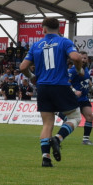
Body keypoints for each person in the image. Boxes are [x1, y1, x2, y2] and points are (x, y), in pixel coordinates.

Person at [19, 17, 83, 168]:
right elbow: (76, 57)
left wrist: (32, 77)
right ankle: (58, 138)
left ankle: (45, 158)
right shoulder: (64, 41)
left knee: (47, 123)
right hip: (60, 85)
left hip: (43, 87)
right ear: (59, 29)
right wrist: (79, 69)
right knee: (74, 117)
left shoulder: (36, 45)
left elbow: (23, 67)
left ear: (44, 29)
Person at [69, 53, 93, 146]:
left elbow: (87, 80)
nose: (84, 60)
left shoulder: (86, 69)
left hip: (84, 98)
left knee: (90, 116)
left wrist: (92, 88)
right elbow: (66, 82)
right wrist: (74, 90)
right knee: (70, 119)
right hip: (74, 98)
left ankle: (85, 140)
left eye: (85, 58)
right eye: (82, 58)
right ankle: (57, 111)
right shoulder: (73, 70)